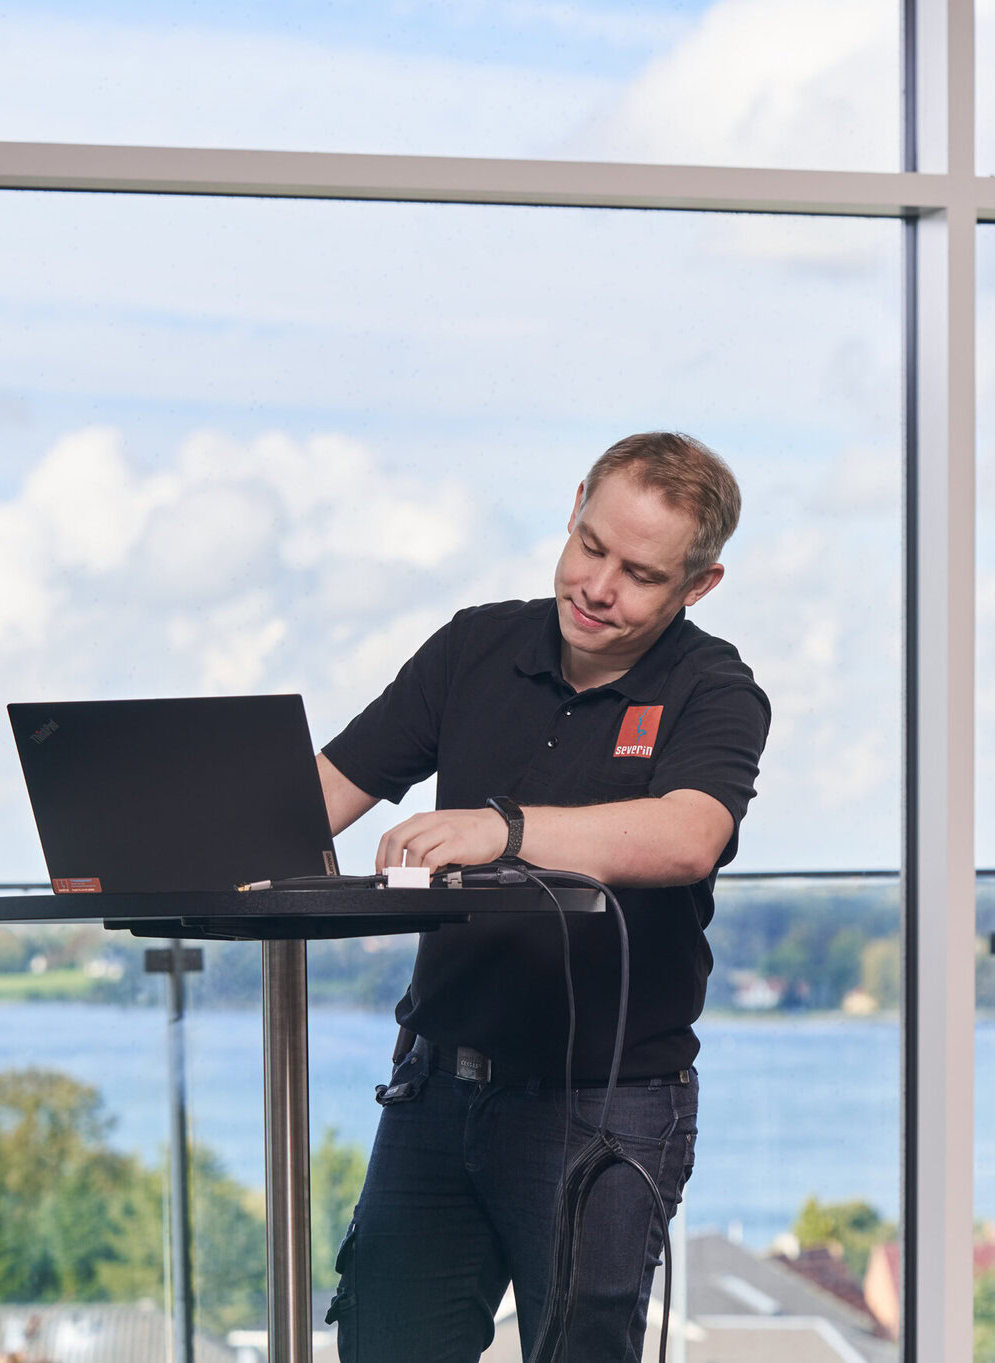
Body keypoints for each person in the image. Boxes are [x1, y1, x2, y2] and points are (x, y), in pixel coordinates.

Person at [316, 431, 771, 1362]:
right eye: (590, 547)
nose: (598, 587)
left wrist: (504, 829)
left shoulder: (715, 689)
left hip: (606, 1106)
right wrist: (158, 838)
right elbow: (316, 797)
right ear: (573, 510)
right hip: (434, 1091)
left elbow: (688, 834)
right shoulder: (474, 646)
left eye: (640, 574)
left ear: (699, 584)